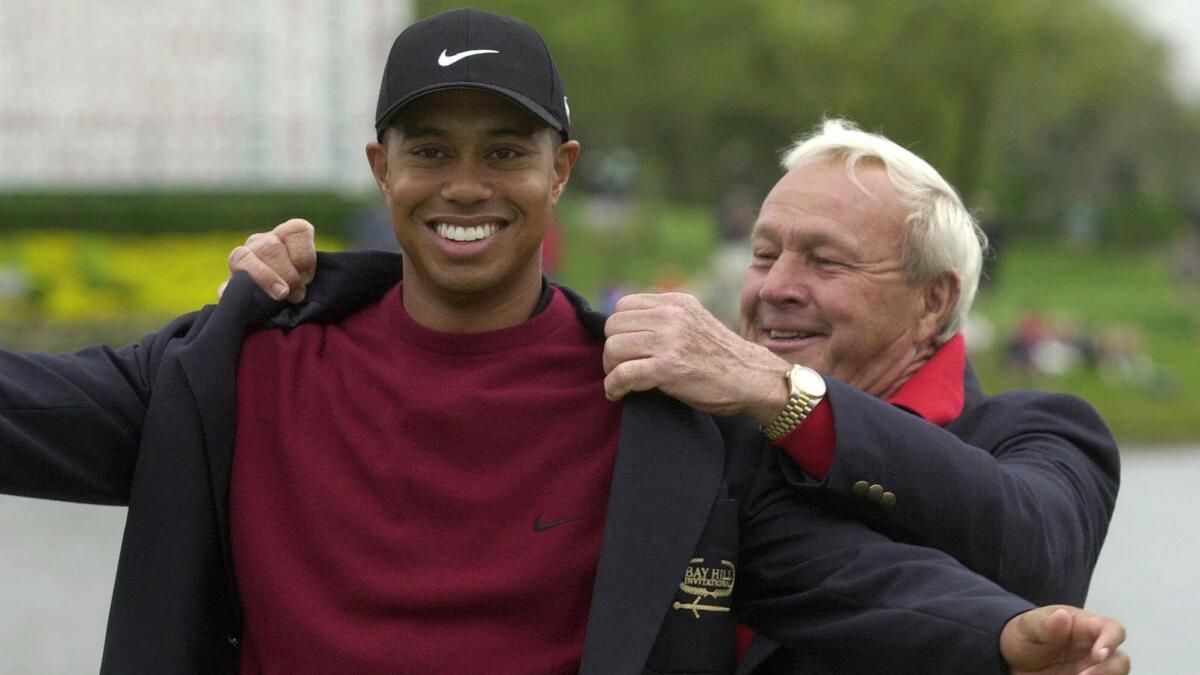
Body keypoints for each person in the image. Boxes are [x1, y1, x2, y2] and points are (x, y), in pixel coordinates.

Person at [4, 9, 1129, 674]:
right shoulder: (245, 363)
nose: (465, 184)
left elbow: (845, 578)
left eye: (505, 150)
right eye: (429, 150)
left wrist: (1001, 640)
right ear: (377, 170)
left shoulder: (657, 408)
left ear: (562, 173)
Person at [241, 119, 1125, 671]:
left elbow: (1033, 556)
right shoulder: (695, 441)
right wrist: (316, 297)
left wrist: (780, 391)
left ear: (935, 299)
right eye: (765, 252)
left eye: (823, 259)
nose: (775, 285)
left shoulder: (1040, 430)